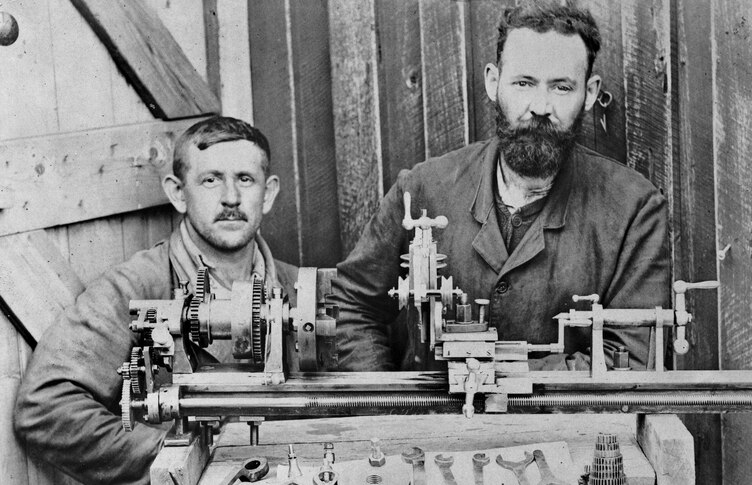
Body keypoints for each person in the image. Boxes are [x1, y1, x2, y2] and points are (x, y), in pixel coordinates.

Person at [334, 0, 670, 372]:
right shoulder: (422, 190)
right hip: (430, 429)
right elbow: (352, 307)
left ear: (589, 93)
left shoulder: (634, 210)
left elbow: (634, 358)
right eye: (524, 83)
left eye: (561, 87)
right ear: (493, 82)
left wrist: (504, 390)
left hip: (569, 430)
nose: (540, 106)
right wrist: (393, 414)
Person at [14, 116, 298, 485]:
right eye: (210, 179)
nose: (230, 197)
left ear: (269, 192)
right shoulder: (136, 287)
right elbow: (45, 406)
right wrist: (178, 457)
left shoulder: (299, 290)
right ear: (178, 193)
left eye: (245, 179)